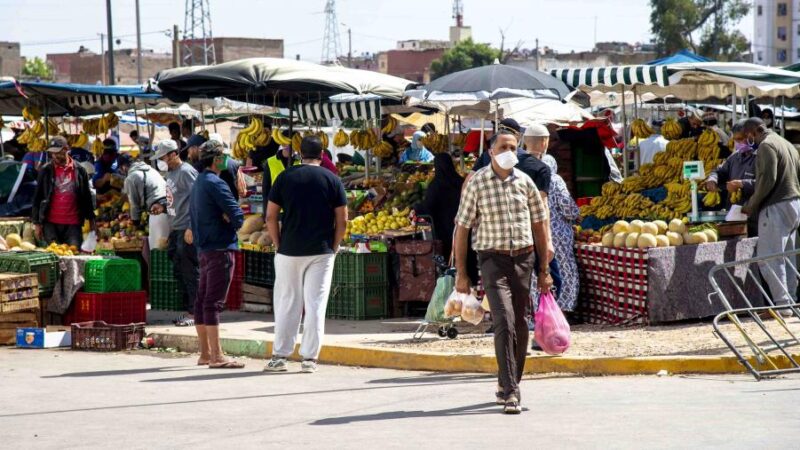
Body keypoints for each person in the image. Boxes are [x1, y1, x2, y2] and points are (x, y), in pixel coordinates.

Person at [453, 129, 552, 414]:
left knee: (520, 323)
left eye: (514, 147)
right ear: (491, 151)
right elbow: (462, 229)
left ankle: (507, 381)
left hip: (524, 259)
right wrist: (462, 273)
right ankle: (511, 392)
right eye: (504, 146)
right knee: (504, 320)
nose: (510, 151)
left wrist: (544, 269)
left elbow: (540, 225)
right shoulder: (478, 182)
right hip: (492, 260)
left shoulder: (525, 182)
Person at [264, 135, 347, 374]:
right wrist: (334, 245)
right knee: (315, 304)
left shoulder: (285, 177)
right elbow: (343, 219)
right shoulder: (332, 179)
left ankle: (280, 356)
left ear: (300, 155)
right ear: (322, 156)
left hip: (289, 250)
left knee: (287, 302)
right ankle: (310, 359)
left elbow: (271, 216)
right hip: (321, 251)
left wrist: (279, 243)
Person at [190, 140, 245, 368]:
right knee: (212, 302)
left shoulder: (200, 182)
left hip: (204, 247)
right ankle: (217, 356)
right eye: (223, 156)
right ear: (216, 160)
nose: (226, 160)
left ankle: (205, 353)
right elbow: (238, 217)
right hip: (220, 247)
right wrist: (229, 218)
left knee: (203, 300)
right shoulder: (216, 183)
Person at [741, 118, 800, 316]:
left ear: (752, 133)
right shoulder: (786, 143)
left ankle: (782, 306)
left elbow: (767, 179)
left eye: (746, 136)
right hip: (794, 203)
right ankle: (790, 302)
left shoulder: (766, 146)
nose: (747, 140)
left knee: (769, 258)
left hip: (775, 205)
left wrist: (752, 205)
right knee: (788, 257)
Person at [150, 140, 200, 326]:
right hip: (176, 228)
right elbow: (176, 199)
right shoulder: (171, 173)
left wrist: (191, 227)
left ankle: (196, 314)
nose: (160, 161)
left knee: (190, 272)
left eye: (162, 157)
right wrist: (162, 206)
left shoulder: (186, 172)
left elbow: (198, 198)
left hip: (186, 229)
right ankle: (190, 310)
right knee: (180, 270)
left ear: (172, 154)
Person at [31, 136, 96, 247]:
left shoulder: (80, 170)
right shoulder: (45, 170)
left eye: (58, 152)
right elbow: (37, 198)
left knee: (74, 255)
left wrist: (92, 222)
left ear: (66, 149)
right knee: (55, 257)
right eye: (52, 153)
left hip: (73, 224)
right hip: (50, 224)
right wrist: (37, 224)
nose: (54, 155)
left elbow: (86, 197)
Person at [540, 154, 580, 313]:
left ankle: (542, 308)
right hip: (558, 235)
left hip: (537, 232)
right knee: (565, 270)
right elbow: (567, 206)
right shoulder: (555, 180)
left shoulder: (529, 177)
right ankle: (563, 308)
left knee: (541, 272)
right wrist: (576, 214)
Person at [705, 120, 758, 236]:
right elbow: (719, 171)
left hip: (754, 215)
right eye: (735, 140)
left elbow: (765, 183)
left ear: (750, 137)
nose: (738, 143)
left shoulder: (760, 157)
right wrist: (712, 179)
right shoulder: (734, 157)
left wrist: (742, 184)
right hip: (734, 215)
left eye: (740, 139)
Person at [413, 153, 463, 260]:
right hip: (461, 226)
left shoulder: (435, 185)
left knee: (446, 255)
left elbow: (428, 208)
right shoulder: (461, 181)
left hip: (442, 229)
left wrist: (416, 207)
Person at [119, 153, 167, 225]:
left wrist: (135, 222)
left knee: (159, 236)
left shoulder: (131, 178)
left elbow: (134, 204)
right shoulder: (151, 169)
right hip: (169, 205)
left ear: (123, 167)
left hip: (156, 210)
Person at [262, 141, 298, 212]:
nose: (289, 146)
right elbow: (266, 189)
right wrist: (266, 211)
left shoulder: (301, 161)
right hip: (276, 209)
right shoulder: (270, 161)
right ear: (282, 142)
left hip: (296, 209)